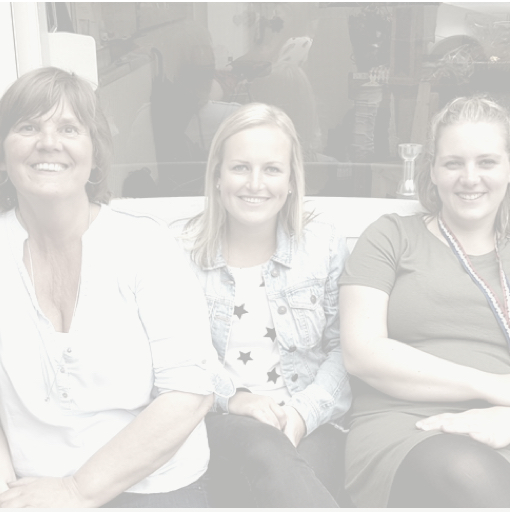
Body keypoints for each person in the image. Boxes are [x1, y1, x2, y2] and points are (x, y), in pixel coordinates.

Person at [0, 66, 234, 508]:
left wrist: (76, 490)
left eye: (69, 128)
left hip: (151, 487)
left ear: (95, 154)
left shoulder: (144, 245)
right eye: (28, 127)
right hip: (30, 489)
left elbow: (190, 391)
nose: (48, 142)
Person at [177, 102, 352, 507]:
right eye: (240, 167)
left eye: (272, 169)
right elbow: (177, 358)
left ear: (291, 180)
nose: (255, 183)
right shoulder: (181, 252)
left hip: (310, 419)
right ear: (217, 176)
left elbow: (345, 350)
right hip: (217, 420)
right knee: (264, 451)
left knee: (289, 472)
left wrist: (301, 415)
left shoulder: (322, 245)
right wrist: (236, 400)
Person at [339, 95, 510, 508]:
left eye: (487, 162)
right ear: (432, 170)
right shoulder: (391, 237)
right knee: (468, 472)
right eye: (453, 163)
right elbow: (362, 353)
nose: (470, 178)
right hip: (408, 426)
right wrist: (492, 387)